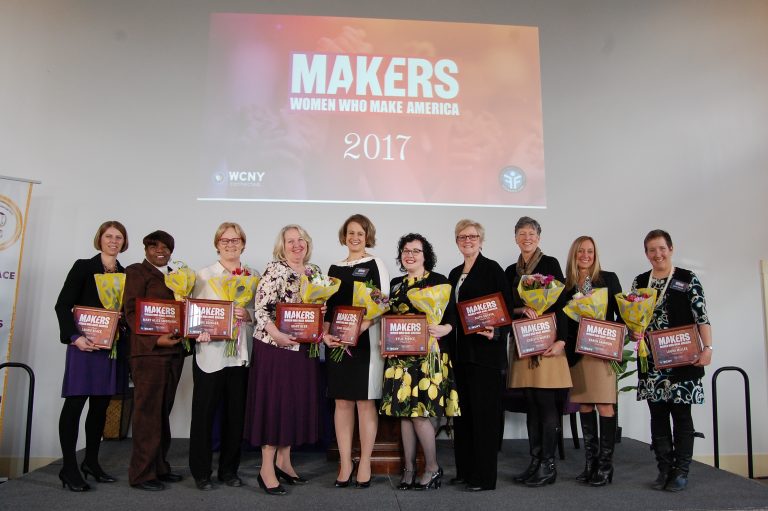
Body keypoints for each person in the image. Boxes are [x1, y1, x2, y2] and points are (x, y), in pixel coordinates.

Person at [630, 229, 713, 492]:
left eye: (662, 248)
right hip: (653, 360)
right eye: (652, 250)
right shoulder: (640, 281)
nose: (657, 254)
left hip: (683, 357)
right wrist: (634, 330)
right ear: (646, 254)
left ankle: (681, 471)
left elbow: (701, 315)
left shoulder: (687, 279)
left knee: (681, 413)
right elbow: (633, 317)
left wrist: (708, 347)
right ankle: (664, 468)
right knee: (657, 414)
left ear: (671, 249)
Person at [243, 224, 322, 496]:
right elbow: (261, 308)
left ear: (307, 243)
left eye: (301, 240)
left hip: (302, 350)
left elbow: (317, 309)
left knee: (292, 404)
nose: (297, 245)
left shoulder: (315, 272)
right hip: (275, 348)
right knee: (274, 405)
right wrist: (277, 335)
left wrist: (321, 310)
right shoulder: (274, 269)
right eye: (291, 241)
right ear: (282, 245)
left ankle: (284, 462)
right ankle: (266, 469)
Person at [379, 233, 459, 491]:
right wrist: (386, 341)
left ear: (426, 256)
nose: (410, 255)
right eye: (406, 250)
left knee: (420, 415)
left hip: (429, 358)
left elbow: (452, 316)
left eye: (416, 251)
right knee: (405, 415)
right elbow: (389, 319)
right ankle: (409, 469)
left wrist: (445, 328)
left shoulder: (438, 281)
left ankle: (433, 467)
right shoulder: (395, 284)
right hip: (401, 360)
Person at [54, 221, 129, 491]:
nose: (113, 241)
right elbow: (62, 305)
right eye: (109, 236)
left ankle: (92, 462)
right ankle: (69, 468)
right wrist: (75, 337)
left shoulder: (124, 273)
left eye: (118, 237)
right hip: (84, 347)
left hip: (111, 349)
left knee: (100, 407)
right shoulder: (83, 267)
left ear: (124, 242)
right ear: (99, 238)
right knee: (75, 405)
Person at [189, 222, 258, 490]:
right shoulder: (203, 275)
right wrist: (197, 332)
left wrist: (247, 315)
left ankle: (229, 470)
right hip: (211, 355)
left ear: (243, 243)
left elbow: (259, 313)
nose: (230, 244)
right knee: (204, 416)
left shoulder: (252, 275)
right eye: (225, 240)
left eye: (235, 239)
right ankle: (201, 472)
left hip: (240, 356)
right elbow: (192, 314)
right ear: (217, 244)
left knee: (235, 417)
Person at [323, 214, 390, 489]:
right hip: (339, 341)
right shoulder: (334, 267)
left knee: (365, 402)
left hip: (365, 341)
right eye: (350, 232)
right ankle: (345, 462)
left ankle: (364, 462)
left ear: (367, 236)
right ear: (344, 235)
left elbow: (384, 303)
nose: (354, 237)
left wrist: (364, 325)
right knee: (341, 402)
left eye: (360, 233)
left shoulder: (376, 264)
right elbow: (326, 305)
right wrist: (325, 333)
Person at [505, 216, 571, 487]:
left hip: (547, 343)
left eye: (531, 233)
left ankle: (548, 464)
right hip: (523, 343)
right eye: (522, 233)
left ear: (539, 237)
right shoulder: (511, 270)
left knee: (545, 402)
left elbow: (563, 302)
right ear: (516, 238)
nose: (527, 238)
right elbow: (506, 306)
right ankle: (535, 461)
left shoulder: (550, 263)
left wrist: (562, 341)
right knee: (531, 402)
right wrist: (521, 309)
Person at [447, 219, 511, 492]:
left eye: (472, 236)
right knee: (462, 417)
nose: (467, 240)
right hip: (460, 356)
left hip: (485, 356)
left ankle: (484, 477)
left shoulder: (493, 269)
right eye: (462, 237)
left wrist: (496, 332)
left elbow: (507, 311)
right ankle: (465, 471)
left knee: (484, 418)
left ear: (481, 240)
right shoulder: (453, 273)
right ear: (457, 241)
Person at [123, 230, 185, 491]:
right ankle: (142, 474)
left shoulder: (176, 277)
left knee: (162, 412)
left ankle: (159, 466)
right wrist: (155, 340)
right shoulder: (136, 271)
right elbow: (131, 310)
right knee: (147, 413)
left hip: (173, 354)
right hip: (149, 353)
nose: (161, 251)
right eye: (154, 246)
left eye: (166, 247)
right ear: (146, 249)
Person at [563, 236, 622, 486]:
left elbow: (623, 313)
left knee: (604, 406)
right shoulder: (567, 286)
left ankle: (606, 468)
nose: (585, 255)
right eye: (581, 251)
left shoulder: (608, 279)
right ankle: (591, 464)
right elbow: (565, 322)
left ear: (595, 254)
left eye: (590, 251)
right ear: (574, 254)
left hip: (602, 352)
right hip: (578, 355)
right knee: (585, 406)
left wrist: (617, 332)